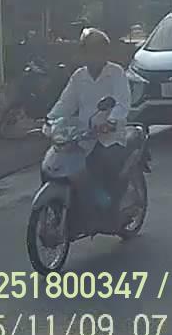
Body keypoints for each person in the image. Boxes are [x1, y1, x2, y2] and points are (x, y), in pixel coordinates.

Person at [46, 28, 132, 216]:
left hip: (109, 137)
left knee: (101, 164)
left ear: (105, 52)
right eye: (89, 51)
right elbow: (65, 103)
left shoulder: (116, 73)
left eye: (98, 51)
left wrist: (111, 122)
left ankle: (111, 209)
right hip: (82, 136)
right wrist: (50, 121)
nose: (93, 56)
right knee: (57, 164)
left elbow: (122, 103)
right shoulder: (79, 76)